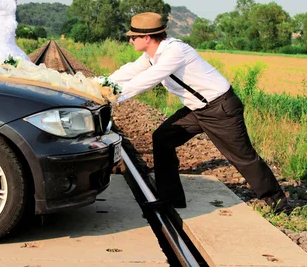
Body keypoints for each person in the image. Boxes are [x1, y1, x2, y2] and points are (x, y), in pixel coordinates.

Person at [109, 12, 292, 214]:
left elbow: (148, 79)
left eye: (133, 36)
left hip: (220, 108)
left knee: (242, 157)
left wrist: (112, 96)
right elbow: (131, 71)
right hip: (197, 109)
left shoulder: (175, 51)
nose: (130, 40)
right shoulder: (151, 56)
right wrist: (99, 85)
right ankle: (170, 199)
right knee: (163, 138)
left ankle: (278, 203)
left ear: (147, 38)